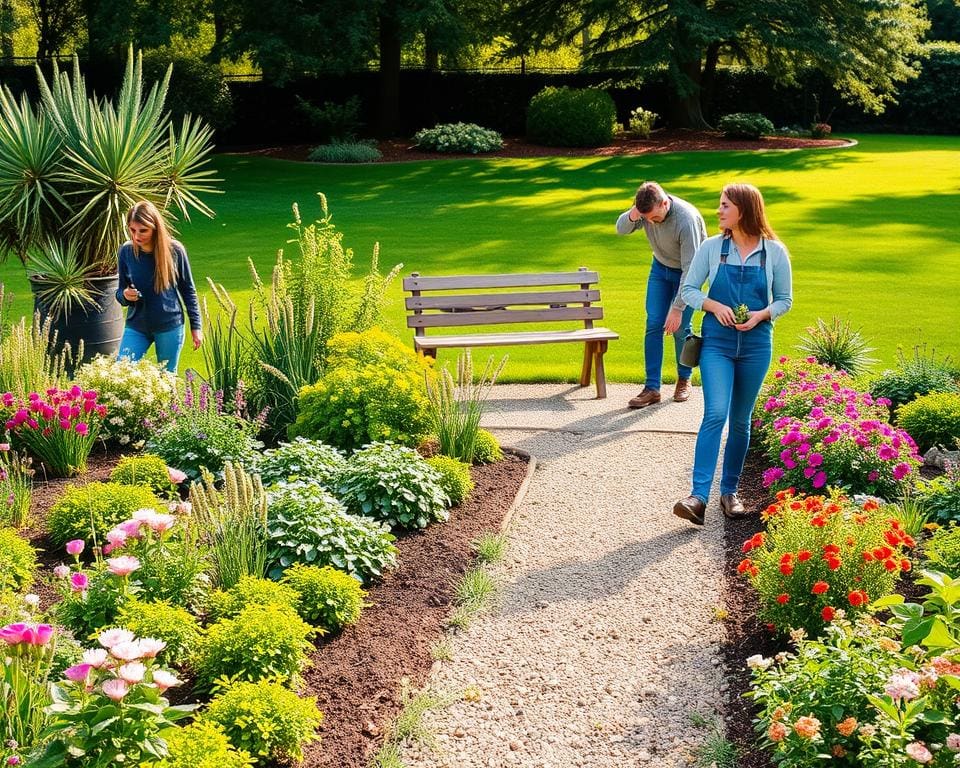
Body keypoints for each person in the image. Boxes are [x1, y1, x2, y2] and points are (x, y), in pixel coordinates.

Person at [672, 183, 793, 526]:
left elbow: (785, 299)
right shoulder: (712, 248)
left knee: (741, 421)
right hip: (718, 345)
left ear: (744, 209)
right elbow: (690, 290)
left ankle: (730, 493)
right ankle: (697, 497)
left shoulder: (774, 252)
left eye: (725, 205)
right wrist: (714, 305)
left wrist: (761, 314)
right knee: (715, 414)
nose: (718, 211)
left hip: (756, 346)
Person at [616, 181, 707, 408]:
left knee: (680, 329)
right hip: (660, 269)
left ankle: (684, 380)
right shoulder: (646, 211)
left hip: (688, 274)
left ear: (665, 203)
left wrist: (677, 308)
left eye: (654, 218)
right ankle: (652, 388)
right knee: (654, 323)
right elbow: (621, 229)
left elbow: (692, 270)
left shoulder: (686, 220)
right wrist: (634, 214)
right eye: (647, 219)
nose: (651, 223)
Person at [115, 201, 202, 372]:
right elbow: (119, 293)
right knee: (121, 371)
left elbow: (188, 290)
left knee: (166, 379)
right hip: (137, 325)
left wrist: (196, 326)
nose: (137, 236)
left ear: (155, 227)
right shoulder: (126, 251)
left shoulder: (175, 250)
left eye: (143, 230)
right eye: (132, 230)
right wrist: (125, 295)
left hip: (169, 325)